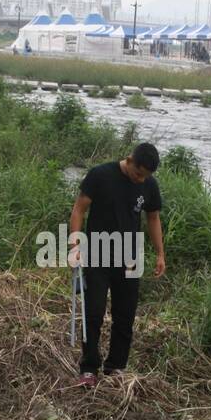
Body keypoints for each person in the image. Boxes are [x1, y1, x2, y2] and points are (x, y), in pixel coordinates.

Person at [68, 142, 165, 387]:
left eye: (146, 176)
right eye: (138, 174)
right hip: (97, 253)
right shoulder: (100, 175)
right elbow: (79, 209)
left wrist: (160, 254)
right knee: (93, 312)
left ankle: (116, 367)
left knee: (125, 315)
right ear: (129, 160)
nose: (141, 180)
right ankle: (89, 368)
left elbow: (153, 218)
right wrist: (75, 245)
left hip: (130, 258)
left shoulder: (148, 184)